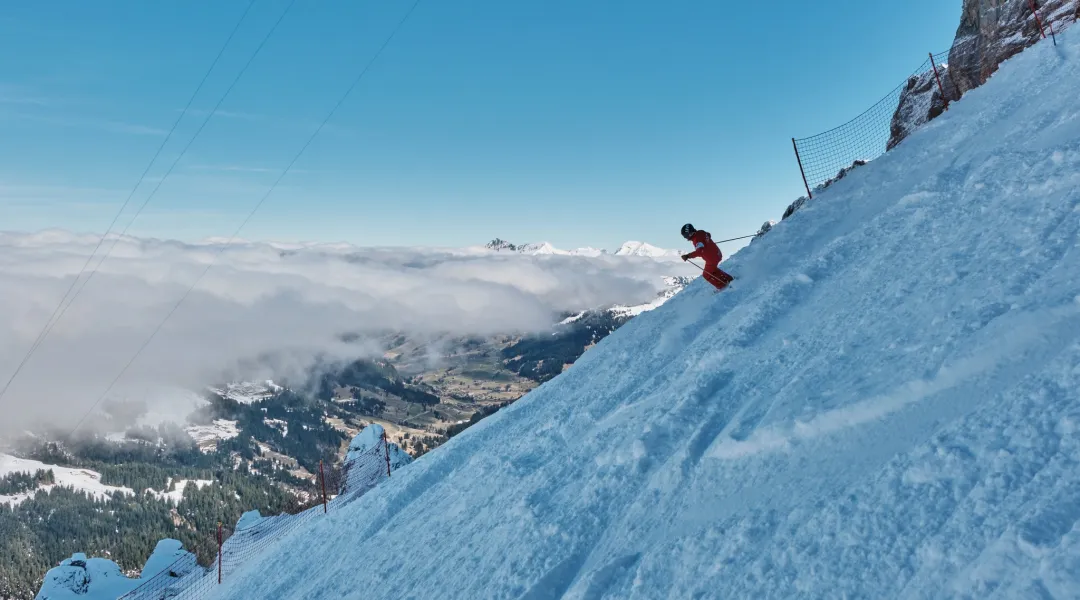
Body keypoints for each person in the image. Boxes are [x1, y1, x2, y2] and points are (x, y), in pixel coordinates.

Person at [680, 223, 734, 290]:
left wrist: (688, 256)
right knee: (713, 270)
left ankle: (722, 286)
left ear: (690, 233)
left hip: (712, 259)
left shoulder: (696, 239)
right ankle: (729, 279)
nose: (686, 238)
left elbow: (699, 251)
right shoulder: (700, 232)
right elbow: (708, 235)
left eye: (685, 236)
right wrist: (706, 242)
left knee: (706, 274)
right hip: (717, 254)